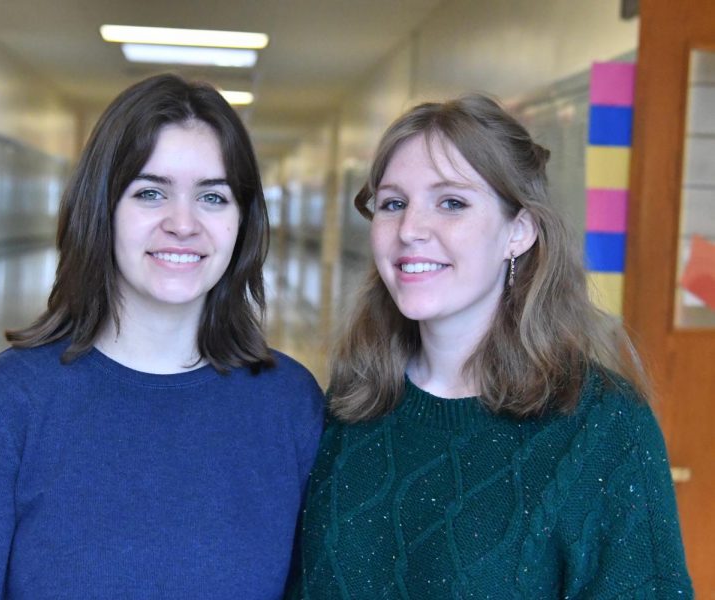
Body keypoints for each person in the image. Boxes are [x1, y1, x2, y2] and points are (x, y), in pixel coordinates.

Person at [0, 73, 324, 599]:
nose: (183, 223)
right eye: (150, 192)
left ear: (242, 222)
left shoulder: (289, 404)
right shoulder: (5, 407)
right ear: (102, 209)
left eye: (213, 197)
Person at [289, 94, 693, 598]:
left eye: (452, 202)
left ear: (518, 232)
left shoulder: (603, 428)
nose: (410, 230)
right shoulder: (353, 404)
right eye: (393, 203)